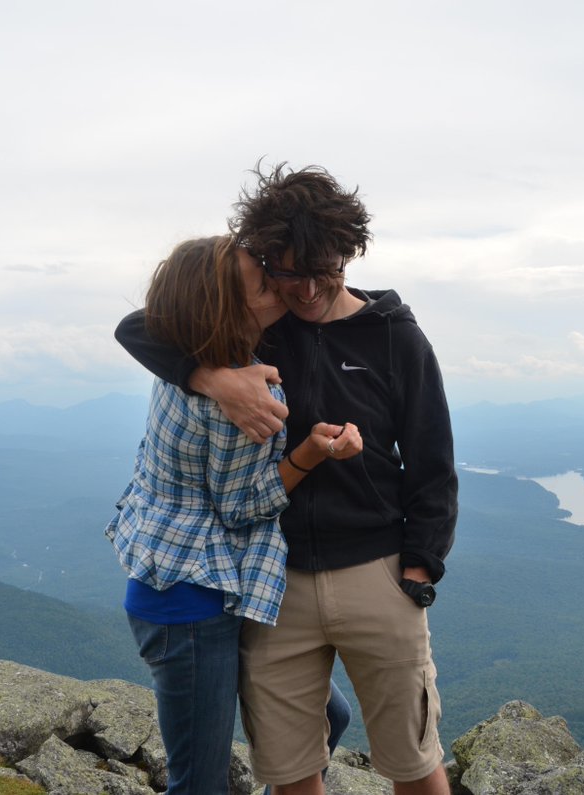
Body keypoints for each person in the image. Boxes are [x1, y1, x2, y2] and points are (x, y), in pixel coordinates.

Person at [115, 164, 459, 795]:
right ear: (266, 261)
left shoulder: (394, 337)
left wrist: (419, 569)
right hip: (273, 580)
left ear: (349, 255)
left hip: (376, 569)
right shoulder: (252, 323)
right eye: (287, 271)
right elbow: (137, 326)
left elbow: (433, 461)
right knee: (291, 770)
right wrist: (212, 377)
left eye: (321, 270)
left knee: (414, 762)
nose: (302, 289)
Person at [105, 235, 363, 794]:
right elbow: (244, 506)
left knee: (330, 717)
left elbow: (140, 324)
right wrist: (308, 455)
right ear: (227, 305)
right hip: (192, 603)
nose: (278, 286)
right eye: (263, 284)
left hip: (186, 583)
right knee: (198, 784)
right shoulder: (239, 398)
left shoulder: (191, 361)